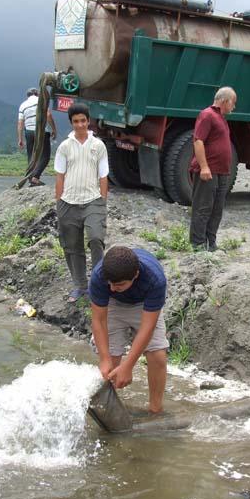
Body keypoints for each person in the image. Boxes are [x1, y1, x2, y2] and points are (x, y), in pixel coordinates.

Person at [89, 246, 169, 414]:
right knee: (110, 364)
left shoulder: (155, 279)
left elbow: (148, 327)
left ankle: (156, 410)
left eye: (118, 284)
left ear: (136, 275)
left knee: (158, 355)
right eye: (109, 283)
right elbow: (98, 319)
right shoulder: (99, 275)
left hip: (144, 306)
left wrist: (129, 365)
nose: (111, 287)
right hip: (113, 305)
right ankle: (109, 411)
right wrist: (104, 359)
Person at [54, 102, 108, 303]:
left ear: (88, 121)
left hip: (93, 201)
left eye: (83, 121)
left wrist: (102, 201)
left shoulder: (98, 146)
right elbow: (59, 176)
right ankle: (80, 286)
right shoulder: (64, 147)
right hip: (68, 202)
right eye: (75, 121)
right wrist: (60, 203)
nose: (79, 125)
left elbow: (103, 176)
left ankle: (98, 284)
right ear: (71, 123)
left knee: (95, 239)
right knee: (72, 246)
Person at [189, 86, 237, 251]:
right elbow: (198, 140)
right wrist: (204, 167)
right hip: (209, 171)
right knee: (203, 208)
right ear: (225, 101)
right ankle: (197, 244)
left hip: (221, 172)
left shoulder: (220, 117)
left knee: (216, 210)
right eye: (233, 103)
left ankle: (211, 243)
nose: (234, 107)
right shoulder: (207, 115)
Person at [17, 87, 57, 186]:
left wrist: (20, 139)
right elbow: (48, 115)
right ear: (37, 94)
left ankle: (31, 178)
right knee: (45, 156)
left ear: (28, 96)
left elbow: (20, 123)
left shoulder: (23, 105)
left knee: (31, 155)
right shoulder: (41, 101)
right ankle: (35, 177)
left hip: (29, 132)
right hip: (41, 131)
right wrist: (54, 129)